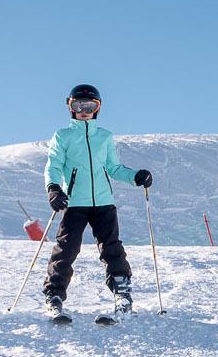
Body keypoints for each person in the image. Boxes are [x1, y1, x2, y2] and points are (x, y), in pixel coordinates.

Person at [40, 84, 153, 319]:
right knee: (66, 248)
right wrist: (53, 188)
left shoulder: (105, 137)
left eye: (90, 106)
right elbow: (54, 164)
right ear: (70, 107)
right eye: (78, 105)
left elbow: (113, 167)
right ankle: (54, 294)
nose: (84, 110)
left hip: (103, 203)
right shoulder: (63, 136)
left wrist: (135, 177)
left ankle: (122, 292)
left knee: (111, 247)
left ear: (97, 109)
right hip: (74, 203)